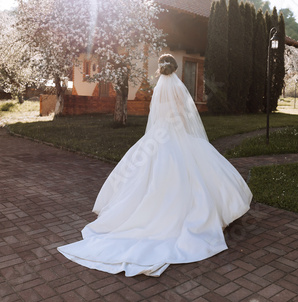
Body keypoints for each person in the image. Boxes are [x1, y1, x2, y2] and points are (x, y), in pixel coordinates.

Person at [57, 54, 252, 277]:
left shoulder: (158, 88)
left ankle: (140, 217)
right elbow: (184, 115)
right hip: (177, 135)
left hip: (157, 138)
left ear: (160, 70)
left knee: (145, 176)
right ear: (176, 70)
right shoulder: (179, 88)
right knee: (196, 172)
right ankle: (211, 217)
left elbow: (156, 116)